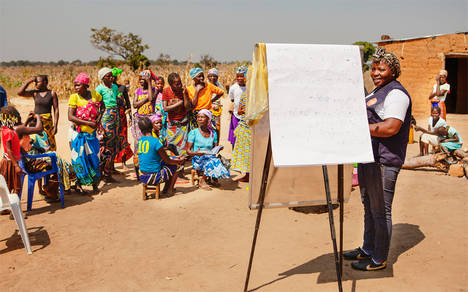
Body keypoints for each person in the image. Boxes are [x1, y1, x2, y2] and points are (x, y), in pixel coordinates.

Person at [344, 47, 412, 271]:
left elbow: (391, 127)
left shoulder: (396, 95)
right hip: (369, 158)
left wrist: (361, 127)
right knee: (369, 207)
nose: (376, 73)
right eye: (373, 68)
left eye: (381, 69)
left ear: (393, 71)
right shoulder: (376, 93)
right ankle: (367, 248)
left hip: (385, 161)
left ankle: (379, 258)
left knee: (381, 210)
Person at [68, 73, 102, 193]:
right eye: (75, 86)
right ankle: (79, 185)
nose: (75, 88)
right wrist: (88, 123)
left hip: (92, 135)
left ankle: (95, 184)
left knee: (94, 159)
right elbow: (70, 117)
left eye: (78, 85)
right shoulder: (74, 97)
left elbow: (102, 107)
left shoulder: (95, 95)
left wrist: (98, 121)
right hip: (78, 135)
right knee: (79, 159)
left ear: (85, 85)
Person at [137, 117, 184, 195]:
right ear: (152, 127)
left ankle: (166, 189)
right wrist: (179, 160)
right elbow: (167, 160)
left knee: (169, 162)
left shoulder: (140, 140)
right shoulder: (156, 141)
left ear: (141, 130)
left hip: (142, 175)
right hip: (154, 176)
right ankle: (169, 189)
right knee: (177, 165)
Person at [1, 106, 42, 195]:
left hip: (11, 161)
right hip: (10, 163)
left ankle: (12, 206)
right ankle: (9, 207)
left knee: (13, 187)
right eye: (17, 115)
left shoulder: (9, 130)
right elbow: (9, 150)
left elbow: (15, 145)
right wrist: (16, 165)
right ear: (12, 118)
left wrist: (22, 150)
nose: (19, 117)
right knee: (11, 187)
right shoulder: (8, 132)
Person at [186, 109, 230, 189]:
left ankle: (213, 178)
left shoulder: (213, 133)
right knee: (212, 160)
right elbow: (188, 151)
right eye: (198, 117)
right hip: (198, 158)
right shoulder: (193, 132)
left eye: (202, 117)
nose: (199, 119)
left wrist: (219, 148)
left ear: (208, 119)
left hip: (210, 157)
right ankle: (203, 180)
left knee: (220, 159)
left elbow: (215, 149)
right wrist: (196, 153)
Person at [17, 75, 59, 151]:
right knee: (35, 141)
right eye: (35, 82)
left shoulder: (52, 93)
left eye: (37, 82)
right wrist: (29, 81)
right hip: (35, 122)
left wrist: (55, 126)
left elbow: (56, 110)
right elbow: (20, 92)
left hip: (47, 123)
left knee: (49, 142)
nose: (35, 83)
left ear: (45, 82)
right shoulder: (35, 93)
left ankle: (49, 160)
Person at [96, 67, 120, 182]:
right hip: (106, 116)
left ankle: (109, 170)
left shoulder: (115, 87)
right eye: (109, 76)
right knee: (105, 143)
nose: (112, 78)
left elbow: (117, 99)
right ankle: (103, 173)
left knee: (114, 142)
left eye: (112, 76)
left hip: (115, 116)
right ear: (102, 78)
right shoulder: (99, 89)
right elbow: (97, 106)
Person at [162, 72, 191, 156]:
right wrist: (179, 103)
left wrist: (185, 95)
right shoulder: (166, 91)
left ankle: (181, 166)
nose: (179, 86)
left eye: (180, 83)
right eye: (177, 84)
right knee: (171, 146)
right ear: (171, 84)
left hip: (183, 123)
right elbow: (165, 108)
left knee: (182, 148)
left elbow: (187, 107)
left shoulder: (184, 91)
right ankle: (174, 165)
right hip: (172, 123)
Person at [111, 68, 133, 167]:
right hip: (111, 117)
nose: (112, 78)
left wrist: (130, 117)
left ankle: (123, 161)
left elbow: (128, 103)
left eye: (113, 76)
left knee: (123, 137)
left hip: (122, 116)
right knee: (112, 139)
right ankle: (112, 163)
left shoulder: (122, 88)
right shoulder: (107, 90)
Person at [230, 91, 251, 182]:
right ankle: (247, 175)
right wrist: (246, 111)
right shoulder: (245, 94)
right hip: (245, 127)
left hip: (257, 127)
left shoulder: (262, 95)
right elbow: (239, 111)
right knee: (245, 152)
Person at [228, 66, 248, 147]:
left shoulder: (250, 87)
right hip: (236, 116)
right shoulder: (233, 88)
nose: (239, 78)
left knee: (246, 137)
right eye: (237, 76)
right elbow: (232, 99)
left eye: (242, 76)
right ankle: (234, 156)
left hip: (248, 117)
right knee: (235, 136)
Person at [207, 68, 224, 135]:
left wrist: (212, 101)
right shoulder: (205, 86)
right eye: (210, 76)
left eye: (214, 76)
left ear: (217, 77)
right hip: (207, 109)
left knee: (217, 128)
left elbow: (221, 95)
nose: (212, 78)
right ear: (207, 77)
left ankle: (216, 143)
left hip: (216, 110)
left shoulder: (220, 87)